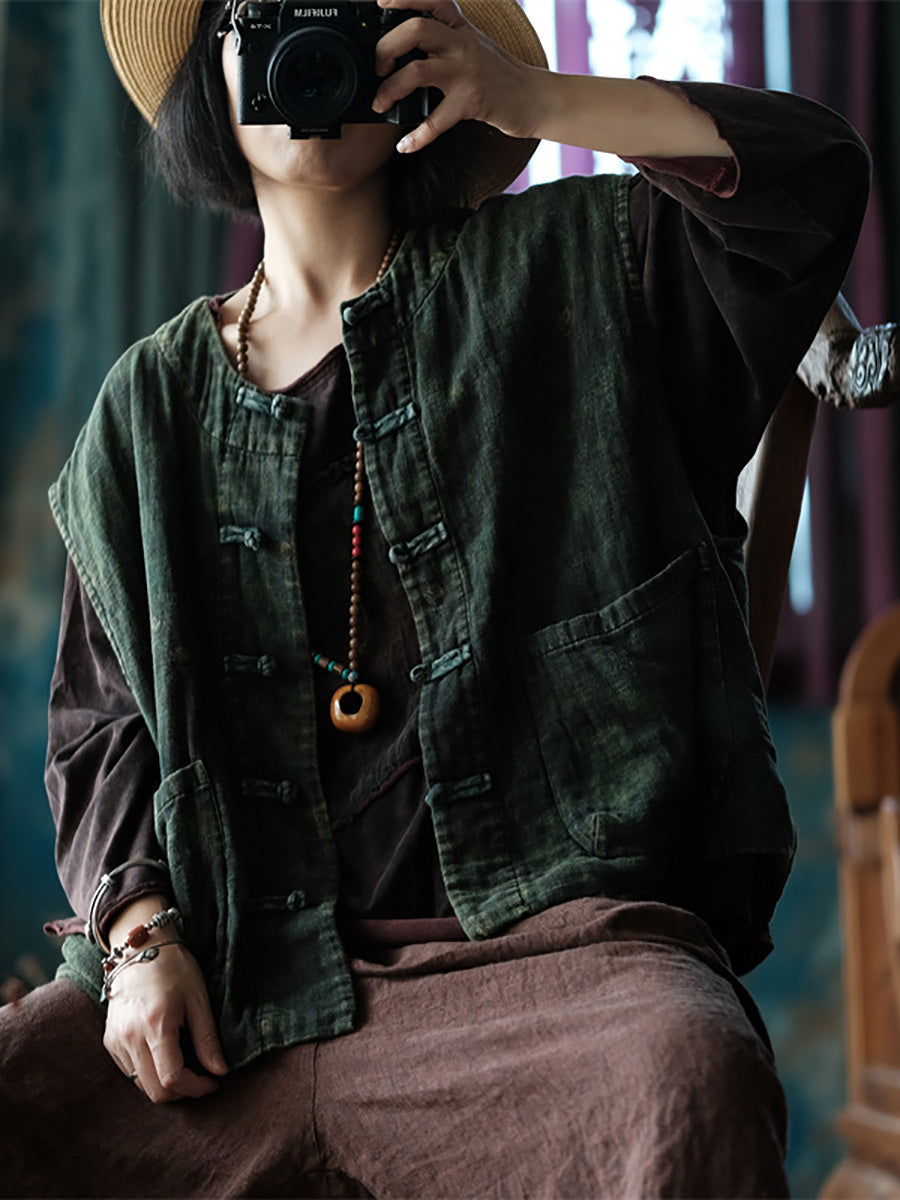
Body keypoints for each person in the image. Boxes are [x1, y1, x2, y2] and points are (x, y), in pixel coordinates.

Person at [0, 0, 869, 1195]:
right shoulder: (143, 409)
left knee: (686, 1076)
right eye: (262, 13)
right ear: (213, 74)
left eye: (354, 12)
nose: (311, 47)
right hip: (237, 991)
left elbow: (811, 181)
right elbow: (99, 724)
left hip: (546, 979)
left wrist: (535, 99)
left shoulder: (582, 269)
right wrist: (140, 937)